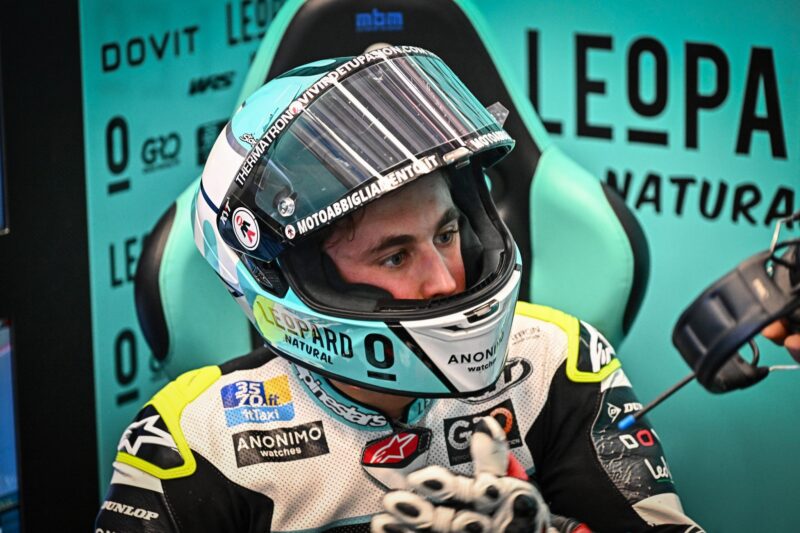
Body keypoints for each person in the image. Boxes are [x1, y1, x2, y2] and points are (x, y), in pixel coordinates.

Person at [95, 46, 703, 532]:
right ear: (290, 277)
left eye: (448, 233)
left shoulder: (556, 362)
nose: (445, 279)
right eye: (395, 256)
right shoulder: (191, 438)